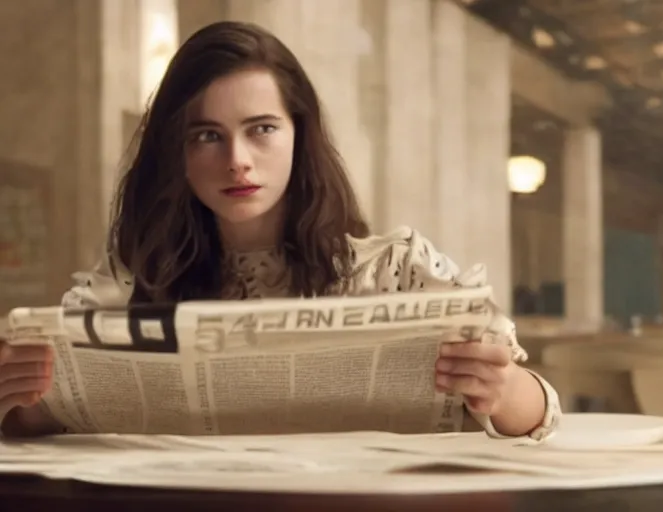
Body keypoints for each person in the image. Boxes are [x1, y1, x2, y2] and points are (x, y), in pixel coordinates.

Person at [0, 21, 560, 439]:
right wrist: (21, 400)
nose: (237, 160)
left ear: (299, 133)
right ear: (176, 151)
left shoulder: (395, 270)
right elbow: (42, 426)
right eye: (206, 136)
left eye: (261, 128)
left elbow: (542, 415)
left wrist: (504, 389)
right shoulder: (125, 283)